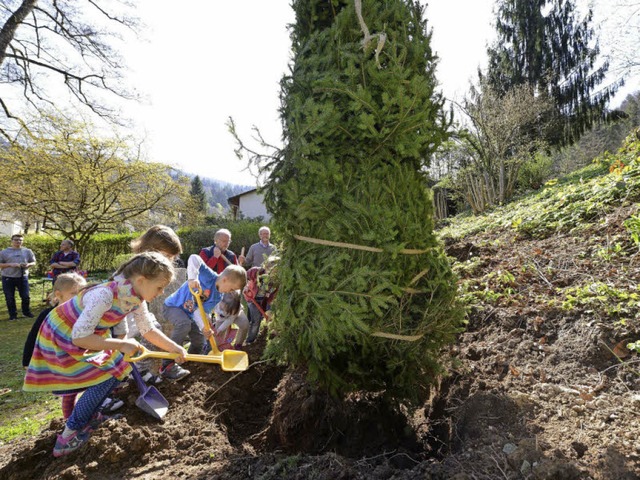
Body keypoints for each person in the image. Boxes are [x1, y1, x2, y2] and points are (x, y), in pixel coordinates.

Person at [23, 252, 188, 457]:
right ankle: (68, 436)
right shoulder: (105, 295)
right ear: (141, 280)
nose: (162, 292)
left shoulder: (135, 298)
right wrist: (121, 344)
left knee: (118, 370)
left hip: (87, 336)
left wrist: (174, 348)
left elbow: (148, 330)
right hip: (62, 335)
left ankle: (90, 417)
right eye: (159, 287)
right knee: (106, 376)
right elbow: (79, 338)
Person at [160, 256, 247, 380]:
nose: (230, 292)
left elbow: (199, 312)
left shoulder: (218, 296)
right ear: (225, 280)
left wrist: (205, 327)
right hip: (173, 306)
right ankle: (167, 366)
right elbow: (194, 259)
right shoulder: (209, 276)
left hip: (190, 315)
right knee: (184, 324)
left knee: (199, 340)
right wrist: (192, 278)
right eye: (232, 289)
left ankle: (188, 363)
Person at [120, 225, 184, 385]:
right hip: (111, 328)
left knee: (153, 326)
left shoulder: (140, 283)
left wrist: (173, 347)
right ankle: (116, 384)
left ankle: (140, 370)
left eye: (172, 258)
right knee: (121, 344)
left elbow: (147, 328)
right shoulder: (127, 282)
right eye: (167, 256)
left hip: (130, 320)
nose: (169, 262)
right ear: (150, 250)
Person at [0, 234, 36, 321]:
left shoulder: (27, 251)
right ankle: (13, 315)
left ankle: (26, 312)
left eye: (20, 240)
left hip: (22, 276)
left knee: (25, 296)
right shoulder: (4, 252)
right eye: (16, 240)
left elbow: (34, 262)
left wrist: (28, 265)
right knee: (9, 297)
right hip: (8, 277)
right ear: (12, 241)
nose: (18, 242)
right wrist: (11, 265)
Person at [243, 256, 279, 344]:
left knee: (268, 317)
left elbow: (273, 294)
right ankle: (249, 341)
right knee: (256, 320)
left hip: (263, 300)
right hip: (251, 298)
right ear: (266, 266)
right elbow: (244, 276)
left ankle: (267, 336)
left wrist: (269, 309)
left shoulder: (276, 280)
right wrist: (245, 286)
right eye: (269, 269)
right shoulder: (255, 271)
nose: (271, 272)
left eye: (274, 270)